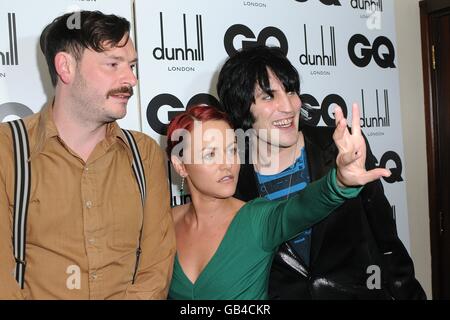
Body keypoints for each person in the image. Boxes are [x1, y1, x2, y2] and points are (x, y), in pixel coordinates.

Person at [216, 45, 426, 299]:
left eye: (291, 90)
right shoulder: (234, 181)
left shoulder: (338, 147)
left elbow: (387, 242)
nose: (289, 106)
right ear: (241, 108)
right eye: (269, 96)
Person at [0, 11, 175, 299]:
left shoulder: (144, 155)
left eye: (131, 65)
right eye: (113, 64)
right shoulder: (7, 149)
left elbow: (155, 269)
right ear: (65, 67)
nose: (131, 79)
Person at [166, 104, 390, 299]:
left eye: (232, 150)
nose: (227, 164)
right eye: (210, 154)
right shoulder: (164, 223)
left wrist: (340, 181)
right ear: (180, 165)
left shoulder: (257, 219)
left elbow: (303, 206)